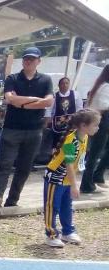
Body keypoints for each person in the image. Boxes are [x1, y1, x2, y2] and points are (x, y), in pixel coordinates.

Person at [0, 47, 53, 208]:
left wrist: (22, 103)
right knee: (5, 164)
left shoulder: (45, 80)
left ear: (39, 61)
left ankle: (13, 200)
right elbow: (10, 99)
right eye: (26, 59)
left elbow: (48, 102)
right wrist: (34, 100)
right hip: (12, 128)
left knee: (24, 168)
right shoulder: (13, 78)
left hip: (34, 130)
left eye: (32, 59)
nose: (28, 61)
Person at [43, 109, 101, 247]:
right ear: (83, 125)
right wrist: (75, 185)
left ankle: (68, 231)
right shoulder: (70, 141)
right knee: (52, 206)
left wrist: (73, 181)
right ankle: (51, 234)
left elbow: (77, 162)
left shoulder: (85, 137)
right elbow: (68, 165)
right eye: (95, 125)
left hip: (68, 178)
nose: (97, 128)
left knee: (66, 206)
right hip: (56, 177)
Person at [80, 65, 109, 193]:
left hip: (101, 123)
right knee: (94, 155)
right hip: (101, 124)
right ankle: (87, 184)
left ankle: (98, 175)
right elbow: (102, 106)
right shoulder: (105, 87)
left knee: (96, 153)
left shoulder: (101, 85)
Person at [48, 77, 82, 147]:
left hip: (72, 121)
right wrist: (48, 120)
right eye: (62, 83)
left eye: (67, 83)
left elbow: (79, 107)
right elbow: (50, 109)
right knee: (57, 140)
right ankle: (55, 155)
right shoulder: (55, 95)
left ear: (69, 84)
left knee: (70, 140)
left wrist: (78, 119)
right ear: (59, 85)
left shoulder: (76, 94)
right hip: (58, 122)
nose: (65, 85)